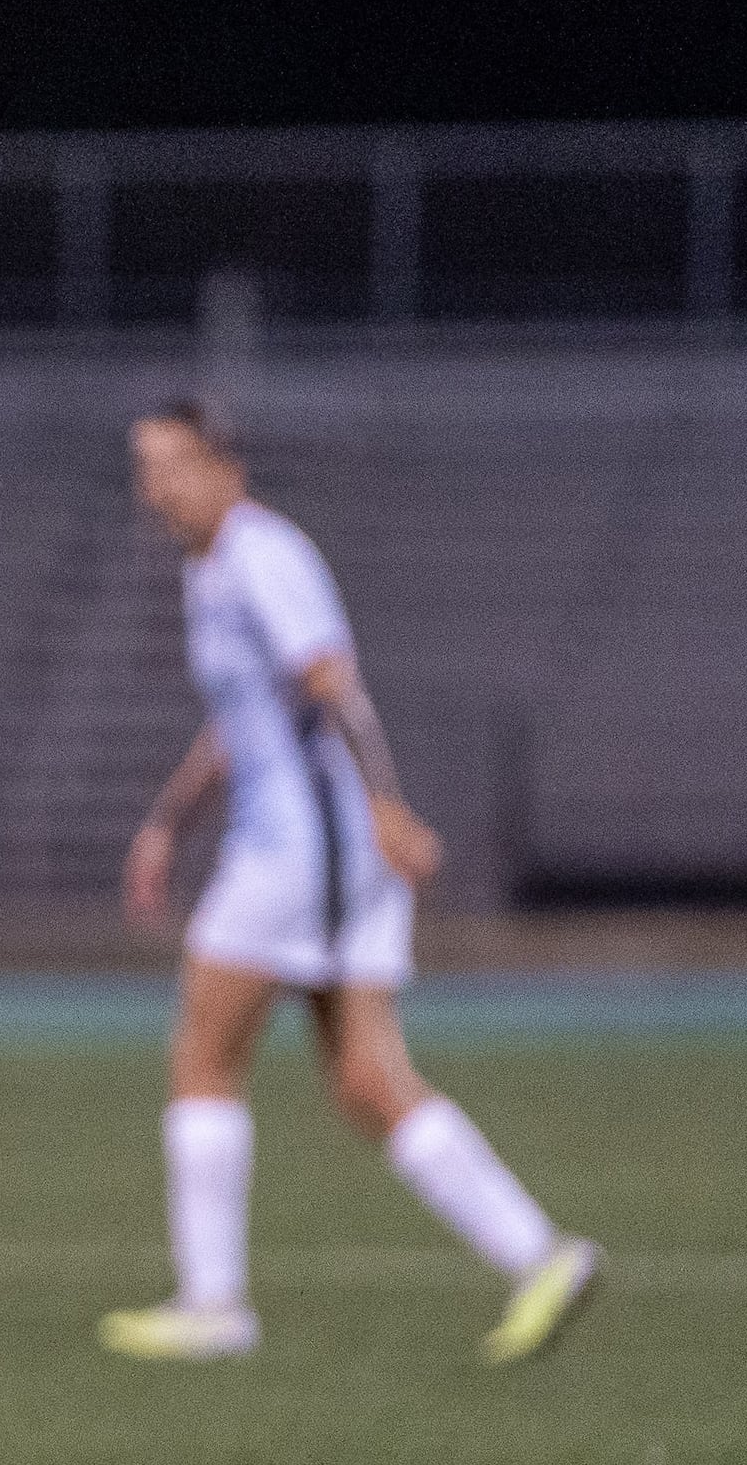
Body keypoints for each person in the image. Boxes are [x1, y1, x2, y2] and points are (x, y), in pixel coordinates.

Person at [96, 398, 601, 1368]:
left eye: (167, 463)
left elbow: (331, 684)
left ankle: (213, 1304)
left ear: (222, 465)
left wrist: (382, 805)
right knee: (366, 1079)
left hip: (302, 851)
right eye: (141, 465)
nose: (152, 486)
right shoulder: (210, 572)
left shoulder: (258, 554)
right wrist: (166, 820)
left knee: (202, 1052)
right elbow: (239, 723)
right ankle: (539, 1256)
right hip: (307, 848)